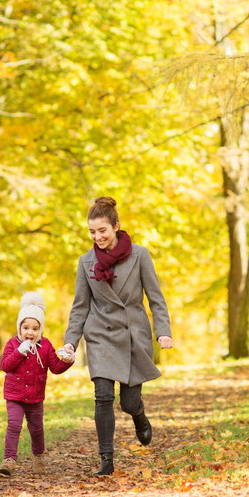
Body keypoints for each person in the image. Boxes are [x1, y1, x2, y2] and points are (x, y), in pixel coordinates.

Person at [61, 196, 173, 476]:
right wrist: (70, 341)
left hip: (133, 333)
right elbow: (80, 306)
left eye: (102, 230)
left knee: (129, 402)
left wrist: (163, 331)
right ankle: (106, 460)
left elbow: (155, 297)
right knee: (102, 396)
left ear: (116, 227)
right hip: (100, 334)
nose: (97, 237)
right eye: (92, 231)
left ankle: (139, 414)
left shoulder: (140, 255)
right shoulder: (86, 262)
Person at [0, 292, 74, 476]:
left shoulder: (46, 346)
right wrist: (19, 352)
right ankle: (9, 459)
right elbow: (5, 365)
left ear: (40, 330)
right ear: (19, 327)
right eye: (25, 327)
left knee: (37, 428)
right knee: (14, 425)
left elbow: (55, 367)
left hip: (35, 396)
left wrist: (66, 360)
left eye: (34, 328)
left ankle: (38, 456)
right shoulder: (12, 344)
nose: (29, 332)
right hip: (15, 396)